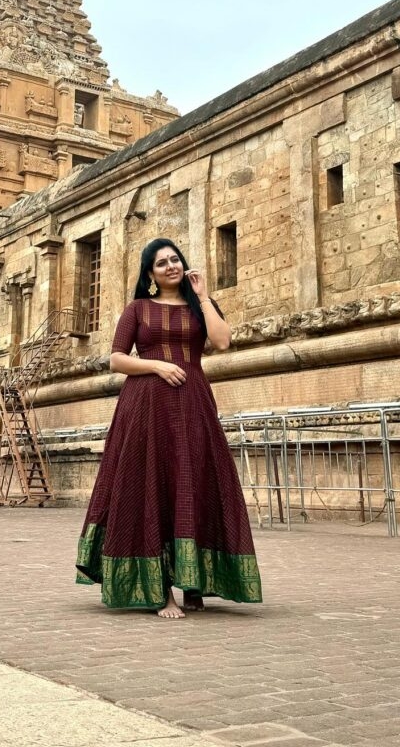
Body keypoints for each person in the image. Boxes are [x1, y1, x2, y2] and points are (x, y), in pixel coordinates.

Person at [76, 238, 262, 618]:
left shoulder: (199, 306)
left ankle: (195, 583)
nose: (171, 266)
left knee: (196, 483)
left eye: (175, 259)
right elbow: (115, 359)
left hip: (193, 403)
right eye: (161, 263)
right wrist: (158, 365)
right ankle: (162, 592)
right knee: (153, 486)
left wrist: (204, 295)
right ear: (150, 274)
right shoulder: (138, 309)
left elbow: (223, 342)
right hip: (146, 407)